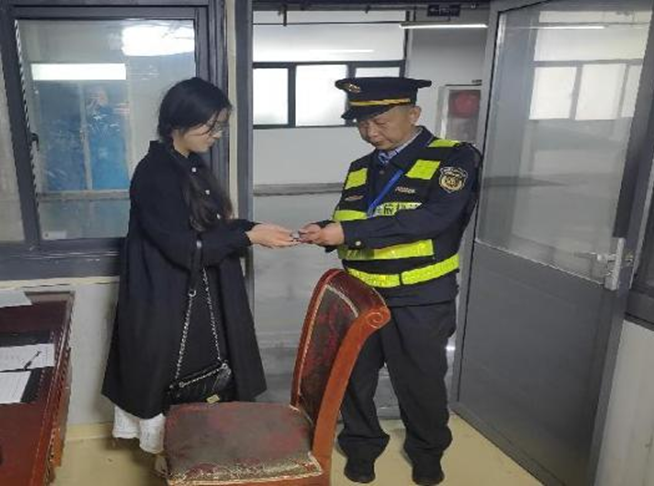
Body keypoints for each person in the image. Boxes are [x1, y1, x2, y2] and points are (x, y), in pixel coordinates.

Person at [102, 77, 296, 472]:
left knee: (208, 380)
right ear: (178, 122)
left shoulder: (189, 163)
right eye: (211, 126)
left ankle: (200, 455)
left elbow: (209, 227)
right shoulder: (156, 173)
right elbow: (182, 246)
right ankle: (175, 463)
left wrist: (253, 228)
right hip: (168, 298)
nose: (217, 135)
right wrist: (246, 236)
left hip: (198, 289)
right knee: (172, 382)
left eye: (221, 126)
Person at [300, 77, 481, 486]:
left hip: (419, 298)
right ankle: (361, 445)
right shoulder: (361, 168)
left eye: (380, 121)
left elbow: (433, 219)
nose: (370, 132)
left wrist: (349, 233)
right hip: (361, 295)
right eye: (362, 124)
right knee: (352, 377)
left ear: (414, 114)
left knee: (419, 381)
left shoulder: (452, 159)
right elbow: (355, 219)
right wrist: (326, 229)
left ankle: (427, 451)